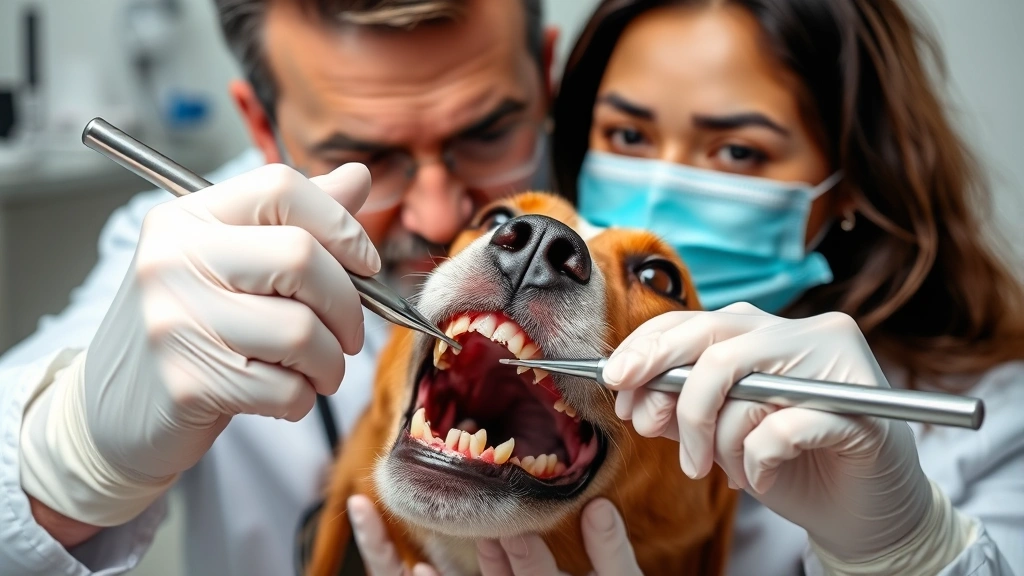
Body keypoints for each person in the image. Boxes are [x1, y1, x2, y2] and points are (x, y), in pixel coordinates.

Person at [353, 0, 1024, 574]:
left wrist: (908, 548)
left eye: (737, 151)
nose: (660, 181)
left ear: (849, 179)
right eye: (627, 134)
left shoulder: (1003, 425)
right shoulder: (387, 348)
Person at [0, 1, 641, 575]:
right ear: (261, 126)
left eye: (486, 134)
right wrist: (73, 459)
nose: (440, 216)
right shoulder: (183, 244)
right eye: (367, 154)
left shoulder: (638, 235)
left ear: (545, 77)